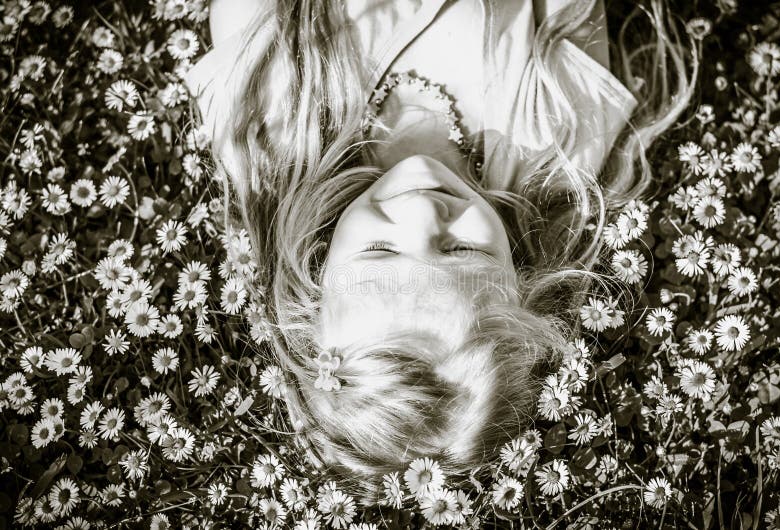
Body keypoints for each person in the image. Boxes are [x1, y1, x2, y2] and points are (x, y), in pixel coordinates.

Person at [184, 0, 696, 504]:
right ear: (520, 280)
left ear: (318, 277)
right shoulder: (555, 143)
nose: (424, 215)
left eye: (381, 250)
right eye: (464, 249)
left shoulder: (279, 136)